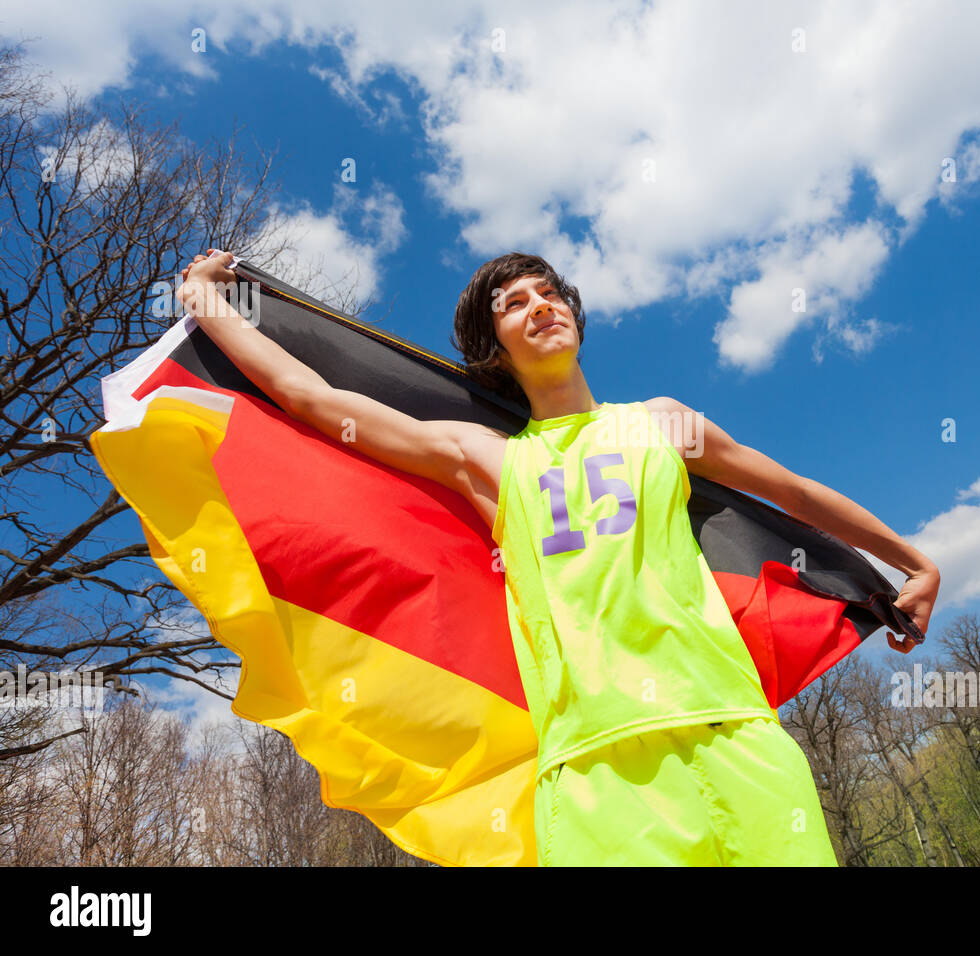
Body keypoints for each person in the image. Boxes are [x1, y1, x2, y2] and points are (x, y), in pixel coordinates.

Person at [179, 248, 940, 866]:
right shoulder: (486, 461)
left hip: (733, 734)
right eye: (515, 303)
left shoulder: (661, 424)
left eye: (551, 294)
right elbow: (310, 397)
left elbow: (796, 496)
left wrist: (915, 563)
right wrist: (209, 301)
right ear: (494, 349)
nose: (541, 305)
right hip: (594, 776)